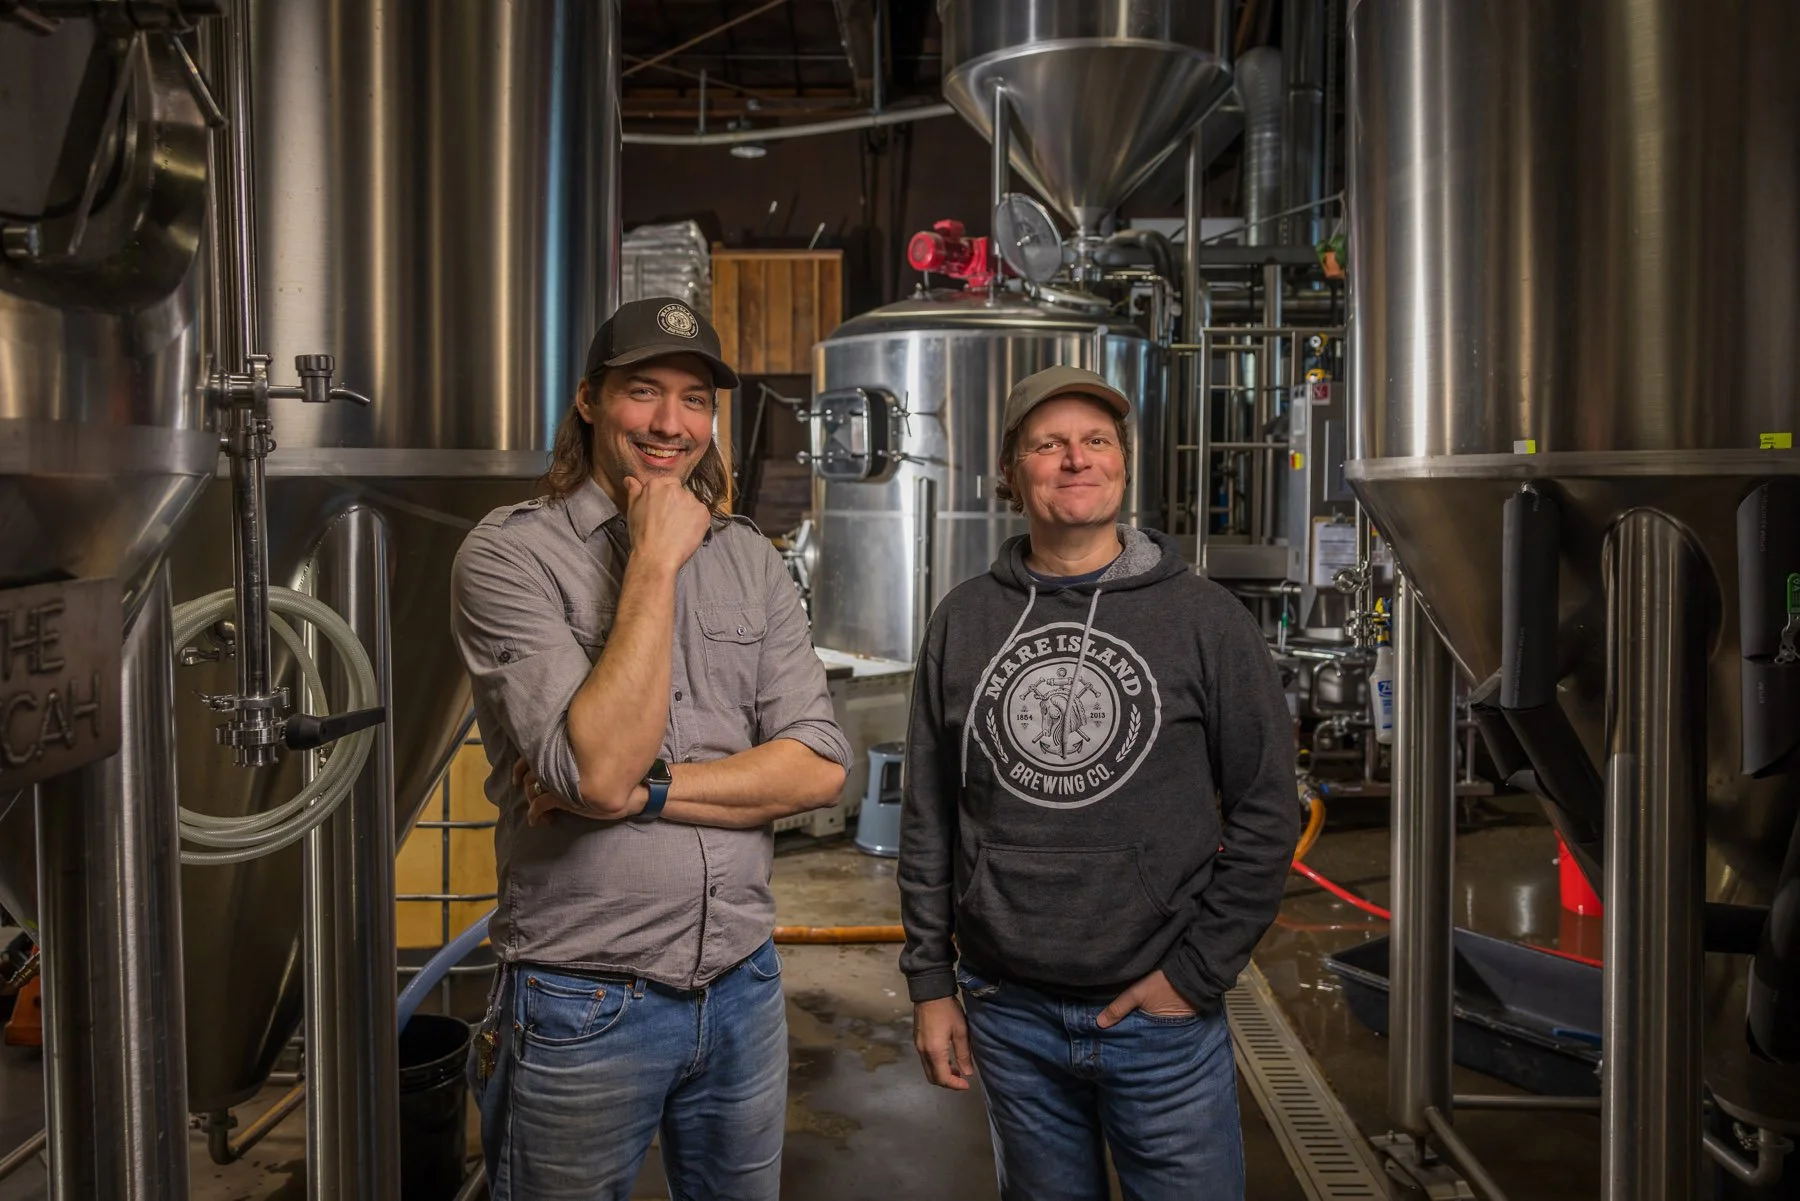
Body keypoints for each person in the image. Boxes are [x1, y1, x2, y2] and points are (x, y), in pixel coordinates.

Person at [450, 296, 851, 1201]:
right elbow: (595, 765)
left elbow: (820, 763)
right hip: (581, 998)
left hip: (743, 984)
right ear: (591, 400)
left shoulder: (748, 555)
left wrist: (647, 794)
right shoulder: (511, 558)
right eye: (644, 392)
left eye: (696, 399)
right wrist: (656, 559)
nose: (673, 424)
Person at [899, 365, 1300, 1201]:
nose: (1075, 460)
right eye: (1048, 445)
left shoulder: (1205, 620)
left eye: (1096, 441)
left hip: (1159, 1016)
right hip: (1007, 1010)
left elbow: (1269, 808)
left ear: (1122, 464)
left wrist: (1196, 974)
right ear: (1012, 474)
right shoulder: (965, 618)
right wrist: (931, 982)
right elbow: (930, 814)